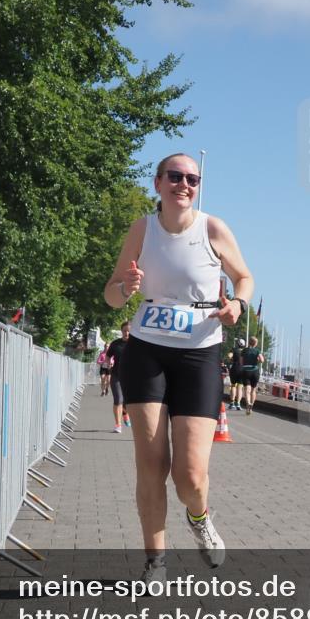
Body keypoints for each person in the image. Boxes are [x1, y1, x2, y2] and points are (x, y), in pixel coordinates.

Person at [104, 152, 253, 580]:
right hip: (147, 350)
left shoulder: (213, 228)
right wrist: (125, 287)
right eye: (175, 176)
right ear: (158, 183)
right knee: (151, 465)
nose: (184, 184)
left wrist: (238, 305)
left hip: (199, 352)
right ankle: (156, 561)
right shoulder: (142, 229)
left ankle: (199, 517)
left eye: (192, 178)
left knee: (189, 476)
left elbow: (244, 278)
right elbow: (110, 294)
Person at [106, 323, 132, 432]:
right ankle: (118, 425)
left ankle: (125, 414)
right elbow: (108, 356)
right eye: (125, 330)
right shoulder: (115, 344)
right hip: (116, 375)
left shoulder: (136, 344)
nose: (127, 333)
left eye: (129, 331)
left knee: (127, 400)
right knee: (118, 399)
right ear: (121, 331)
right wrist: (109, 363)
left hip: (131, 377)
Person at [240, 336, 263, 415]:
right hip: (255, 371)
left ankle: (248, 404)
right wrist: (257, 360)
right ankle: (251, 406)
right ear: (255, 343)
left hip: (246, 371)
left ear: (249, 342)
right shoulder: (257, 351)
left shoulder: (244, 350)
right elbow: (262, 360)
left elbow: (241, 362)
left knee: (247, 390)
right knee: (253, 390)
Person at [227, 338, 245, 410]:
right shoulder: (245, 351)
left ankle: (232, 403)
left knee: (233, 386)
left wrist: (232, 359)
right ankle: (238, 404)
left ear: (237, 344)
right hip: (242, 370)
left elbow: (229, 356)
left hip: (234, 368)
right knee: (240, 387)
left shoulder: (234, 350)